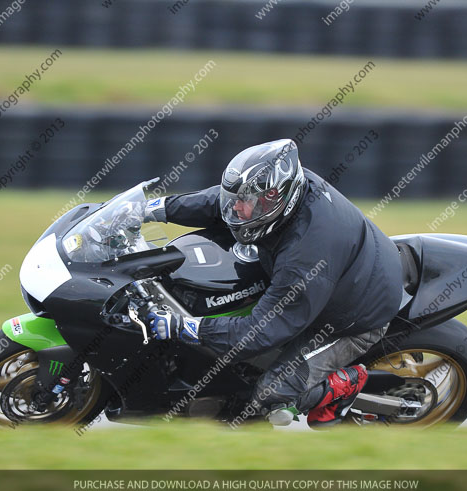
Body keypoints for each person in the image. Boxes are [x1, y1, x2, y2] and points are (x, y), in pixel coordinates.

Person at [145, 139, 403, 427]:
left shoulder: (305, 254)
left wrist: (187, 328)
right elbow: (218, 202)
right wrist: (154, 209)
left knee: (271, 395)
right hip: (347, 270)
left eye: (246, 202)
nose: (238, 210)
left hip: (354, 317)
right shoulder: (283, 190)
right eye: (237, 199)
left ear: (275, 197)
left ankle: (343, 386)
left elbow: (263, 330)